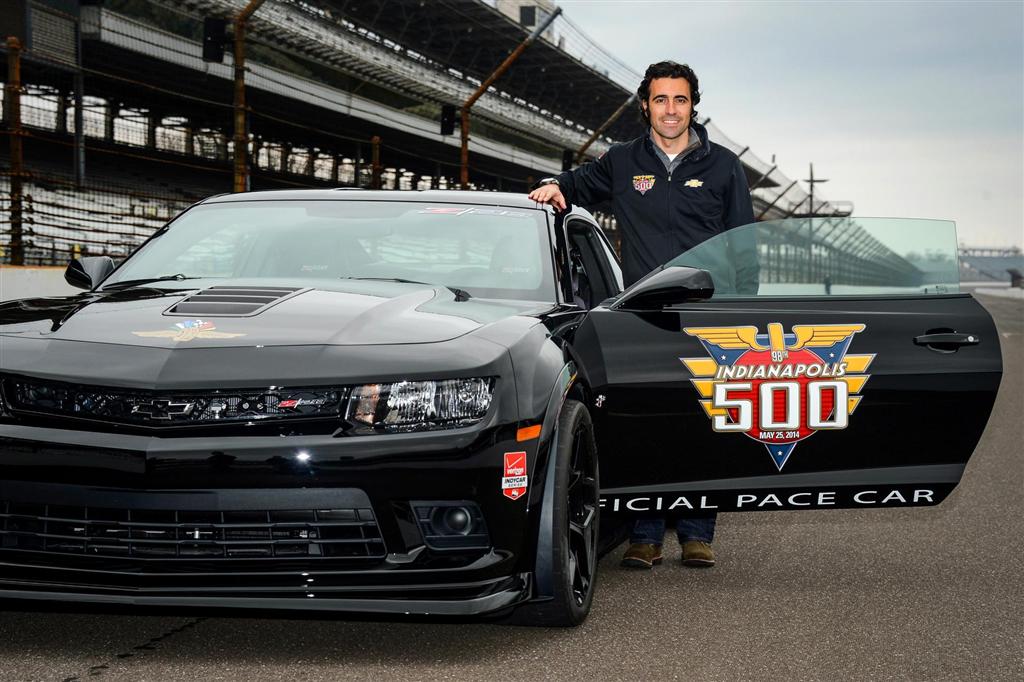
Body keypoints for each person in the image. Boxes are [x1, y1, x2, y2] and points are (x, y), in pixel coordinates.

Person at [528, 60, 756, 569]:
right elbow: (575, 183)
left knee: (703, 423)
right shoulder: (622, 161)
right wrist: (553, 186)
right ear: (645, 106)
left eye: (680, 100)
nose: (670, 110)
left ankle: (698, 533)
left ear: (694, 104)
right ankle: (645, 535)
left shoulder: (723, 167)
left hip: (708, 315)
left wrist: (745, 313)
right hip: (643, 317)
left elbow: (745, 247)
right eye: (660, 100)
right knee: (647, 424)